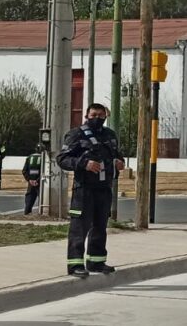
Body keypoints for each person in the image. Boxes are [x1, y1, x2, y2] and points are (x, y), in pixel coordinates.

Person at [56, 103, 125, 278]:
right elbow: (62, 159)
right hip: (84, 189)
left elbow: (116, 154)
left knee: (100, 226)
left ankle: (96, 262)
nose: (97, 118)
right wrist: (84, 164)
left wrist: (119, 162)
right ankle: (75, 265)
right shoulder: (76, 134)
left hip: (104, 188)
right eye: (94, 115)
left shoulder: (110, 135)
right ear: (87, 115)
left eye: (101, 115)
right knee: (79, 227)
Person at [22, 145, 43, 215]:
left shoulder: (29, 157)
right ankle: (42, 213)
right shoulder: (44, 158)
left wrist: (30, 180)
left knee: (29, 198)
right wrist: (37, 180)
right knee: (43, 198)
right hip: (40, 182)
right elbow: (45, 171)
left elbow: (24, 171)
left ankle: (27, 213)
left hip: (31, 182)